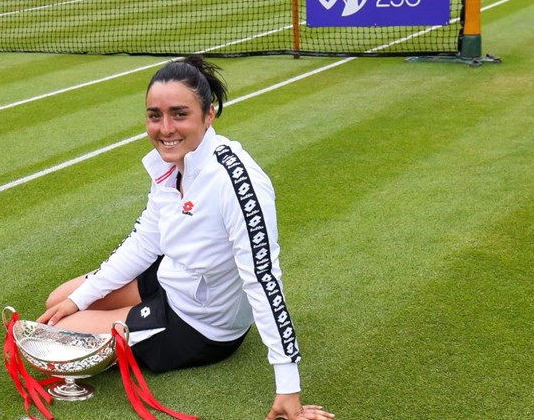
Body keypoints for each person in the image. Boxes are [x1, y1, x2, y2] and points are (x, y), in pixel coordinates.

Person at [38, 55, 334, 420]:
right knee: (60, 301)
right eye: (154, 115)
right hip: (172, 276)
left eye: (180, 114)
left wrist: (288, 386)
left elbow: (263, 279)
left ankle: (138, 329)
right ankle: (110, 314)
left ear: (209, 114)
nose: (165, 129)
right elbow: (146, 240)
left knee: (58, 340)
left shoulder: (235, 181)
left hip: (200, 323)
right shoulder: (168, 163)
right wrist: (83, 297)